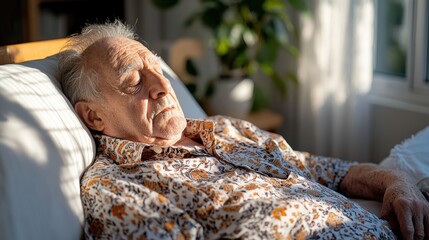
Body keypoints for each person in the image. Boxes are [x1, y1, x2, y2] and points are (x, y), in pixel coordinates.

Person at [59, 20, 428, 240]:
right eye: (134, 81)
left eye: (157, 68)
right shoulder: (116, 186)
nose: (162, 85)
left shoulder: (225, 127)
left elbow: (334, 171)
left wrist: (397, 183)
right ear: (94, 118)